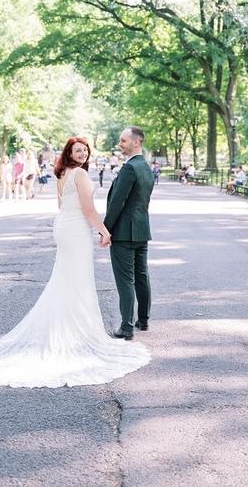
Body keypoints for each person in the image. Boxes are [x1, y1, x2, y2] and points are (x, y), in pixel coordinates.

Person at [0, 136, 150, 387]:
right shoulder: (79, 175)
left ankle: (65, 324)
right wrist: (104, 231)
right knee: (78, 278)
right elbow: (88, 211)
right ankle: (76, 330)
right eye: (78, 150)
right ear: (69, 153)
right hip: (75, 228)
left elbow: (62, 205)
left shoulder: (62, 174)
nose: (83, 153)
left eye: (85, 150)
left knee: (65, 276)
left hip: (64, 225)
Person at [104, 126, 155, 340]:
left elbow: (117, 202)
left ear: (137, 142)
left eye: (123, 141)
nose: (120, 144)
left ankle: (126, 326)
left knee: (126, 279)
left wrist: (105, 229)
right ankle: (142, 320)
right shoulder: (146, 167)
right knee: (141, 276)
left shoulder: (129, 168)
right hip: (142, 229)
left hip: (124, 232)